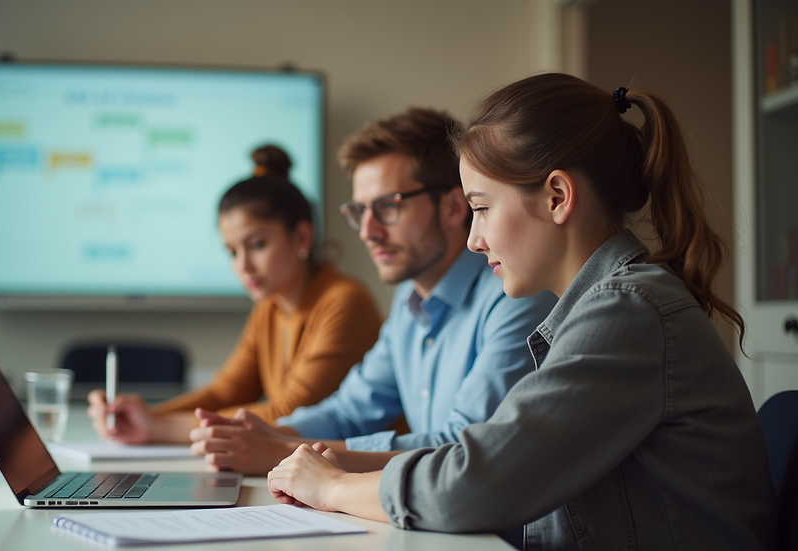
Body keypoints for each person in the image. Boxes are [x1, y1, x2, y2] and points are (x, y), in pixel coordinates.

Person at [265, 74, 778, 550]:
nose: (472, 239)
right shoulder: (603, 309)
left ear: (557, 196)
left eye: (483, 208)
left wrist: (332, 486)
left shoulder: (627, 311)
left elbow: (473, 484)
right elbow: (488, 456)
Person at [189, 108, 557, 474]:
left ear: (452, 207)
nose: (367, 231)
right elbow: (350, 410)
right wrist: (272, 433)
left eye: (387, 207)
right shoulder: (409, 303)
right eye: (360, 211)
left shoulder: (514, 296)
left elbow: (463, 445)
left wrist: (283, 450)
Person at [87, 145, 383, 444]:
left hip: (365, 473)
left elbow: (287, 413)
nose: (242, 266)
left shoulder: (344, 301)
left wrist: (158, 427)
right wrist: (141, 416)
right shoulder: (270, 306)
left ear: (302, 237)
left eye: (256, 245)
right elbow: (225, 392)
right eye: (231, 251)